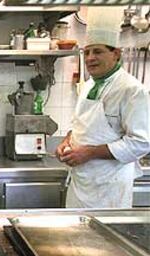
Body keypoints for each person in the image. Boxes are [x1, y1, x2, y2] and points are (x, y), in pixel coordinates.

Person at [56, 9, 150, 208]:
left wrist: (88, 153)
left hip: (109, 188)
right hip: (81, 183)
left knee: (104, 238)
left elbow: (141, 143)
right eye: (87, 52)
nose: (90, 58)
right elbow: (82, 125)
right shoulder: (90, 84)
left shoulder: (131, 89)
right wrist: (67, 141)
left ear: (116, 54)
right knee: (74, 237)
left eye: (97, 51)